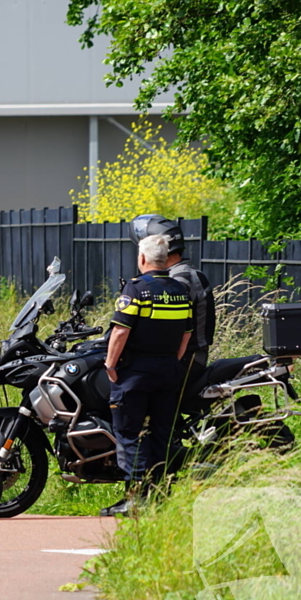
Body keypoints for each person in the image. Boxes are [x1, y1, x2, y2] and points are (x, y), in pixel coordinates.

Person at [101, 234, 192, 517]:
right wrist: (172, 361)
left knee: (129, 434)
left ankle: (136, 498)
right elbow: (186, 333)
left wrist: (110, 365)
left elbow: (120, 330)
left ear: (142, 259)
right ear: (164, 259)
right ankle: (160, 496)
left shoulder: (136, 288)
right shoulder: (180, 289)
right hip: (168, 372)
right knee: (162, 434)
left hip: (135, 374)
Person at [131, 214, 216, 381]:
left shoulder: (180, 279)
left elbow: (161, 324)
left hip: (185, 358)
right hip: (174, 356)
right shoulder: (172, 275)